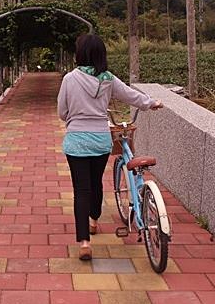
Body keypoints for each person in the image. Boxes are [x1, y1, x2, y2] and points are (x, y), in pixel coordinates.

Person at [56, 33, 163, 260]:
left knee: (81, 190)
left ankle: (84, 242)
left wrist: (73, 119)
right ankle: (94, 218)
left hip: (76, 141)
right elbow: (131, 96)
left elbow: (61, 112)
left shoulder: (69, 79)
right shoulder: (108, 79)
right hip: (100, 140)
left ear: (80, 54)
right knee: (96, 184)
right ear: (101, 55)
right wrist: (151, 103)